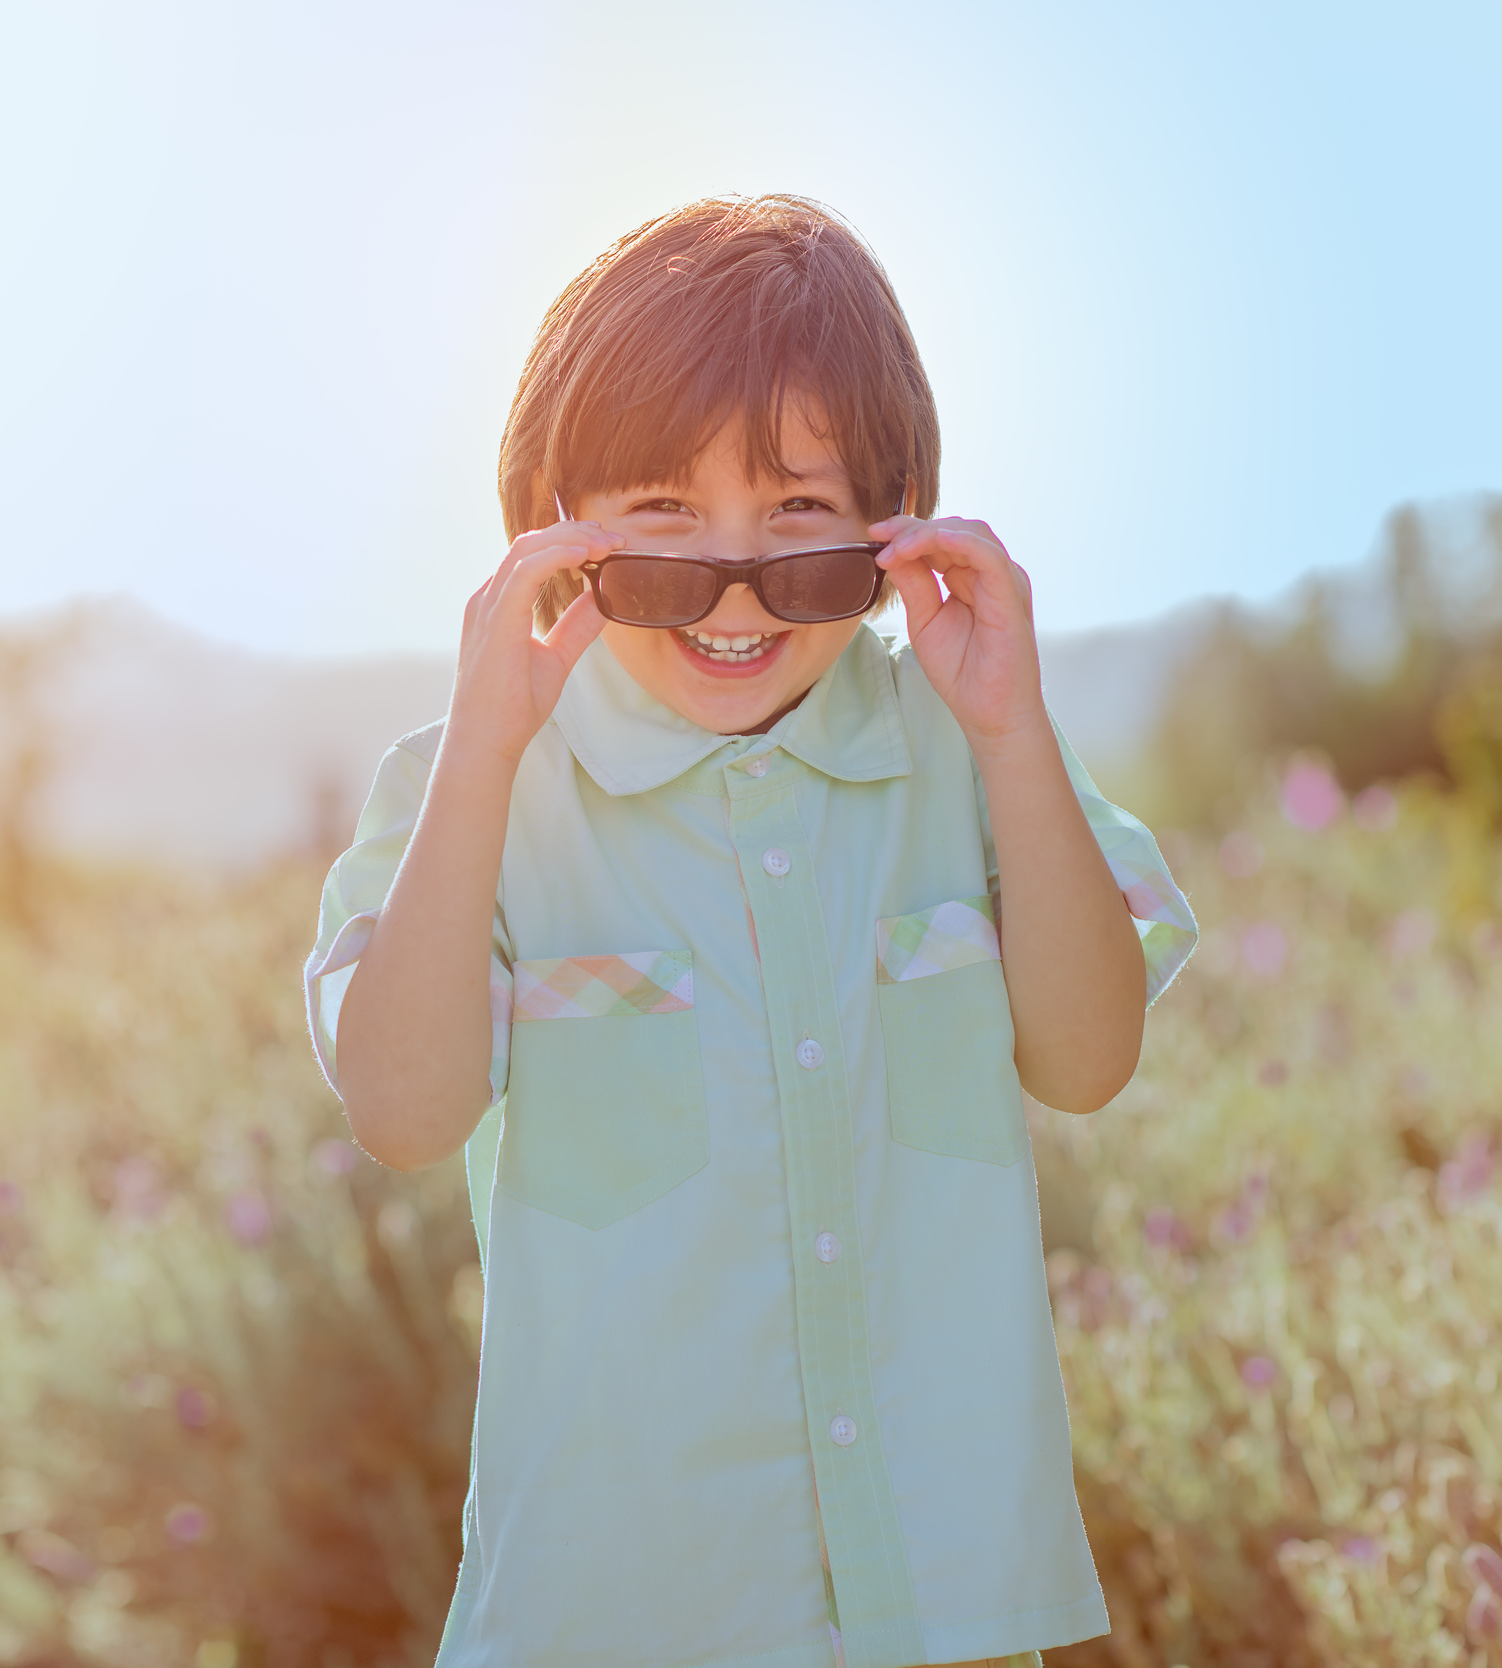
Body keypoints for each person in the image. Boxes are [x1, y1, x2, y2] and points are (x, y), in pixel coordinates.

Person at [303, 195, 1198, 1668]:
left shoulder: (971, 750)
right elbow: (403, 1112)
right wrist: (485, 751)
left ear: (893, 523)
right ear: (555, 532)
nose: (732, 588)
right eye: (661, 524)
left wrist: (1013, 727)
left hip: (944, 1603)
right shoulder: (468, 786)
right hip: (616, 1613)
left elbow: (1090, 1057)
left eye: (798, 521)